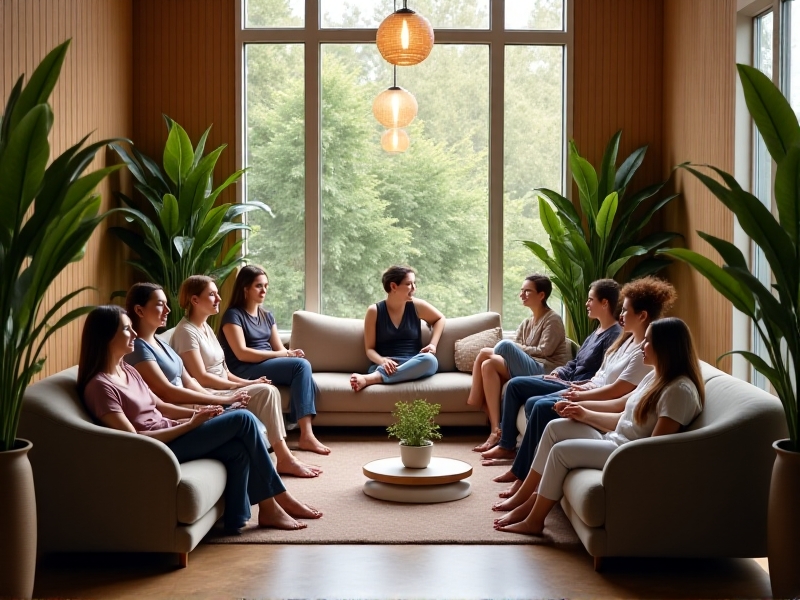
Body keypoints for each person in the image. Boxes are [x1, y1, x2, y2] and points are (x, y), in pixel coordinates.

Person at [77, 305, 322, 533]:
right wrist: (191, 425)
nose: (133, 334)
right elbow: (134, 440)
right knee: (243, 420)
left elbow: (161, 406)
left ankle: (241, 517)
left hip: (173, 431)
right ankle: (279, 499)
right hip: (158, 448)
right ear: (106, 337)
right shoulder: (100, 387)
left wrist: (198, 414)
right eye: (126, 329)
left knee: (237, 448)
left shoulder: (126, 369)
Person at [493, 317, 704, 535]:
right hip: (614, 438)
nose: (641, 345)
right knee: (555, 427)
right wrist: (582, 412)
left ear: (667, 347)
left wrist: (586, 413)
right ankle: (525, 497)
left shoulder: (679, 391)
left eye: (648, 341)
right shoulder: (655, 376)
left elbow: (654, 449)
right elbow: (622, 414)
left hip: (625, 452)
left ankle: (534, 520)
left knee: (561, 452)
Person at [492, 277, 677, 498]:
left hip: (596, 399)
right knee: (522, 391)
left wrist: (580, 396)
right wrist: (570, 382)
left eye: (625, 311)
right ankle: (520, 467)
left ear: (642, 316)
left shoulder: (642, 354)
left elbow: (618, 392)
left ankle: (524, 479)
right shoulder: (625, 340)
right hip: (585, 387)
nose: (621, 316)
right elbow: (597, 373)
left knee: (540, 406)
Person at [124, 280, 322, 478]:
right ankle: (284, 458)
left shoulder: (163, 342)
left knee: (266, 392)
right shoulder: (143, 347)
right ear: (140, 311)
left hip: (200, 396)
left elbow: (191, 381)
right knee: (260, 400)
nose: (167, 309)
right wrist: (222, 400)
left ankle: (282, 459)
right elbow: (172, 390)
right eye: (160, 304)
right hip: (186, 405)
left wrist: (242, 386)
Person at [480, 279, 623, 462]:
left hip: (576, 386)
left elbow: (603, 374)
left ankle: (527, 455)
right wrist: (560, 372)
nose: (586, 304)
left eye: (590, 299)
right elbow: (575, 362)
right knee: (514, 386)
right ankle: (506, 445)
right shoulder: (596, 332)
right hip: (564, 379)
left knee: (531, 398)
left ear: (604, 303)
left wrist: (573, 385)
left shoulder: (613, 336)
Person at [218, 265, 330, 455]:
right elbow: (241, 353)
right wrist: (284, 355)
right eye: (258, 286)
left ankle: (299, 429)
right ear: (245, 289)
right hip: (244, 368)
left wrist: (291, 353)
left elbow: (279, 348)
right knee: (301, 367)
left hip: (266, 364)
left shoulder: (267, 315)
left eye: (266, 286)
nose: (264, 291)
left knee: (303, 368)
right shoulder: (233, 315)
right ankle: (306, 435)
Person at [467, 274, 571, 453]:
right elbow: (518, 350)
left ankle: (475, 399)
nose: (522, 294)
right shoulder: (526, 322)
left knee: (500, 347)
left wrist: (518, 349)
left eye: (527, 291)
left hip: (544, 370)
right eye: (521, 291)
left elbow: (545, 350)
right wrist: (519, 349)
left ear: (541, 295)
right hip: (528, 366)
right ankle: (495, 430)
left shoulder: (552, 319)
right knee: (488, 364)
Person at [349, 265, 446, 392]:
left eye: (414, 283)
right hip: (386, 366)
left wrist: (433, 345)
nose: (414, 288)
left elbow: (440, 319)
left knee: (430, 360)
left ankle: (372, 379)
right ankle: (386, 375)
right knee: (389, 367)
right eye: (409, 284)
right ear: (393, 286)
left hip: (413, 363)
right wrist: (383, 361)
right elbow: (369, 349)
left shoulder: (417, 305)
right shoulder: (374, 311)